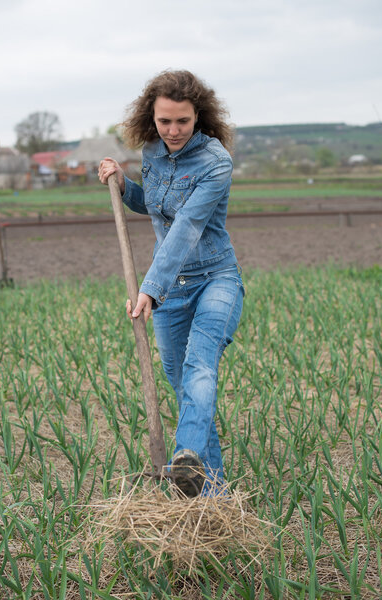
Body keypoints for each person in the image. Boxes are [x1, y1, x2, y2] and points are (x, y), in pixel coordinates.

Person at [98, 70, 244, 497]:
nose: (174, 130)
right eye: (165, 121)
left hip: (215, 278)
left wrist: (149, 287)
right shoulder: (154, 153)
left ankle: (183, 458)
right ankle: (211, 494)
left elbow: (187, 226)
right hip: (171, 290)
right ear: (153, 118)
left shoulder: (216, 162)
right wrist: (125, 185)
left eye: (182, 121)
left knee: (201, 365)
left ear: (199, 116)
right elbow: (158, 204)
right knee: (182, 383)